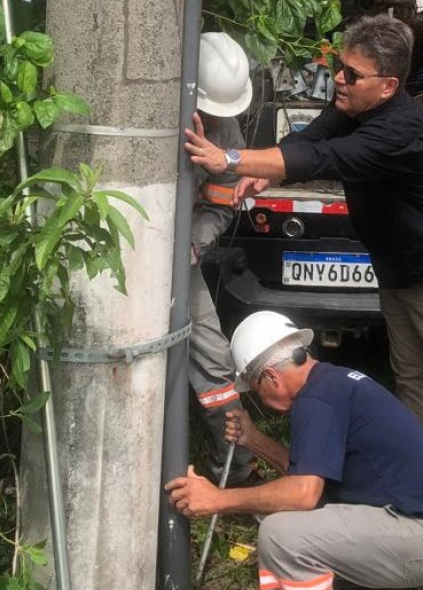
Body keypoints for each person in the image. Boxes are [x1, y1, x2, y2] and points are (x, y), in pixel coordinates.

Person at [182, 13, 423, 551]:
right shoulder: (352, 106)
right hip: (398, 270)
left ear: (389, 85)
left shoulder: (399, 130)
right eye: (340, 67)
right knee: (413, 380)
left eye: (353, 74)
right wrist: (266, 170)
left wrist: (230, 158)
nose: (339, 80)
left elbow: (325, 157)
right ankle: (413, 475)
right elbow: (312, 138)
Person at [165, 311, 423, 590]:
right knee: (283, 510)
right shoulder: (330, 385)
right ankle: (366, 588)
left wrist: (216, 499)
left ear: (271, 377)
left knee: (281, 536)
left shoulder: (316, 400)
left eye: (256, 391)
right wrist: (252, 439)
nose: (262, 401)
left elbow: (302, 493)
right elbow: (305, 473)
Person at [187, 32, 259, 487]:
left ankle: (234, 471)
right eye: (209, 109)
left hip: (182, 263)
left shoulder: (227, 130)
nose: (216, 119)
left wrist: (193, 244)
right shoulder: (152, 117)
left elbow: (220, 205)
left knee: (214, 361)